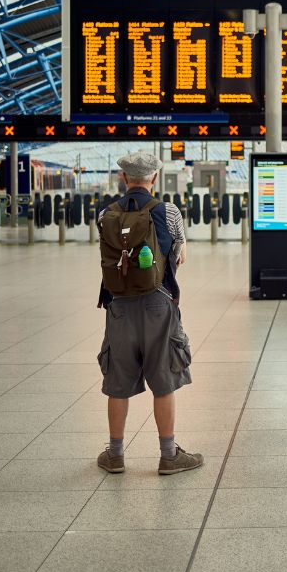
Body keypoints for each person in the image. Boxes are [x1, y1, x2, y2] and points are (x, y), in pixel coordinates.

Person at [95, 151, 202, 476]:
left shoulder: (105, 214)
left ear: (124, 179)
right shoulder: (168, 212)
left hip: (119, 306)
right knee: (164, 380)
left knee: (118, 381)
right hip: (159, 304)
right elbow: (180, 253)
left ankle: (115, 455)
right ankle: (168, 455)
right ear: (154, 178)